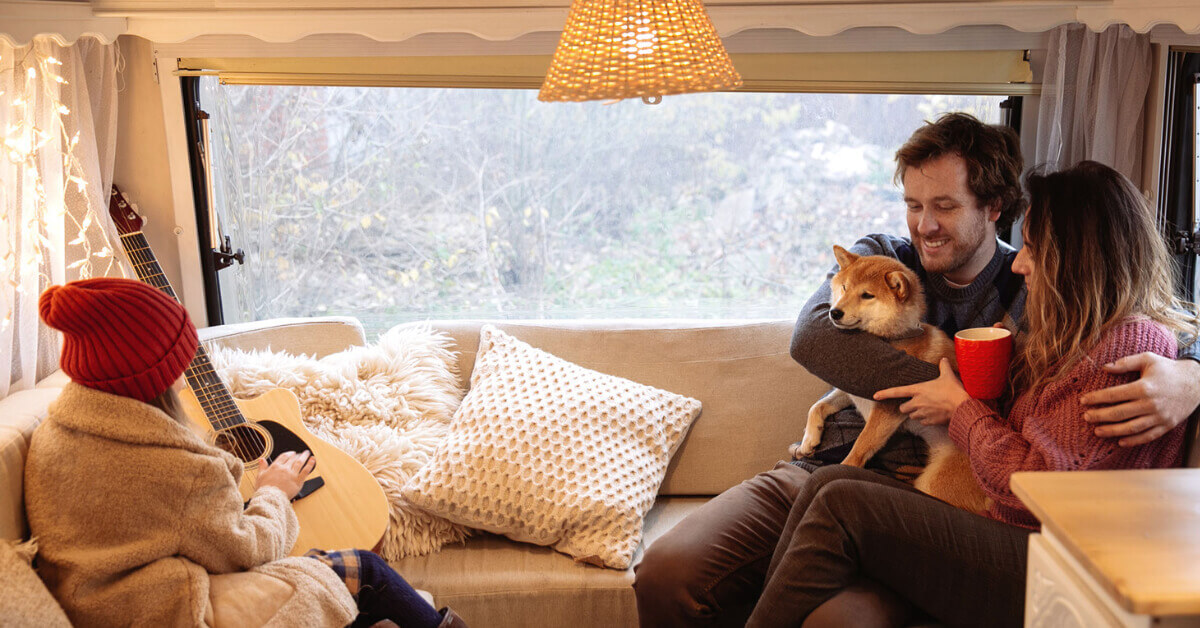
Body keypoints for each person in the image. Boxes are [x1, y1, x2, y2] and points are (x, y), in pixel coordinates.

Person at [632, 113, 1200, 627]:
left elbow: (1139, 335)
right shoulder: (883, 260)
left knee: (842, 609)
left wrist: (1192, 374)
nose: (923, 225)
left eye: (945, 206)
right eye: (912, 204)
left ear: (994, 207)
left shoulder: (1044, 304)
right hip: (830, 466)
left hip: (938, 491)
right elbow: (811, 339)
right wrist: (942, 385)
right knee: (666, 573)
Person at [24, 277, 467, 627]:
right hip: (168, 610)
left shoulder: (58, 431)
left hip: (99, 603)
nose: (185, 377)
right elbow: (249, 550)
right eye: (178, 364)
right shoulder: (175, 467)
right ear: (151, 376)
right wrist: (274, 491)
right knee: (365, 570)